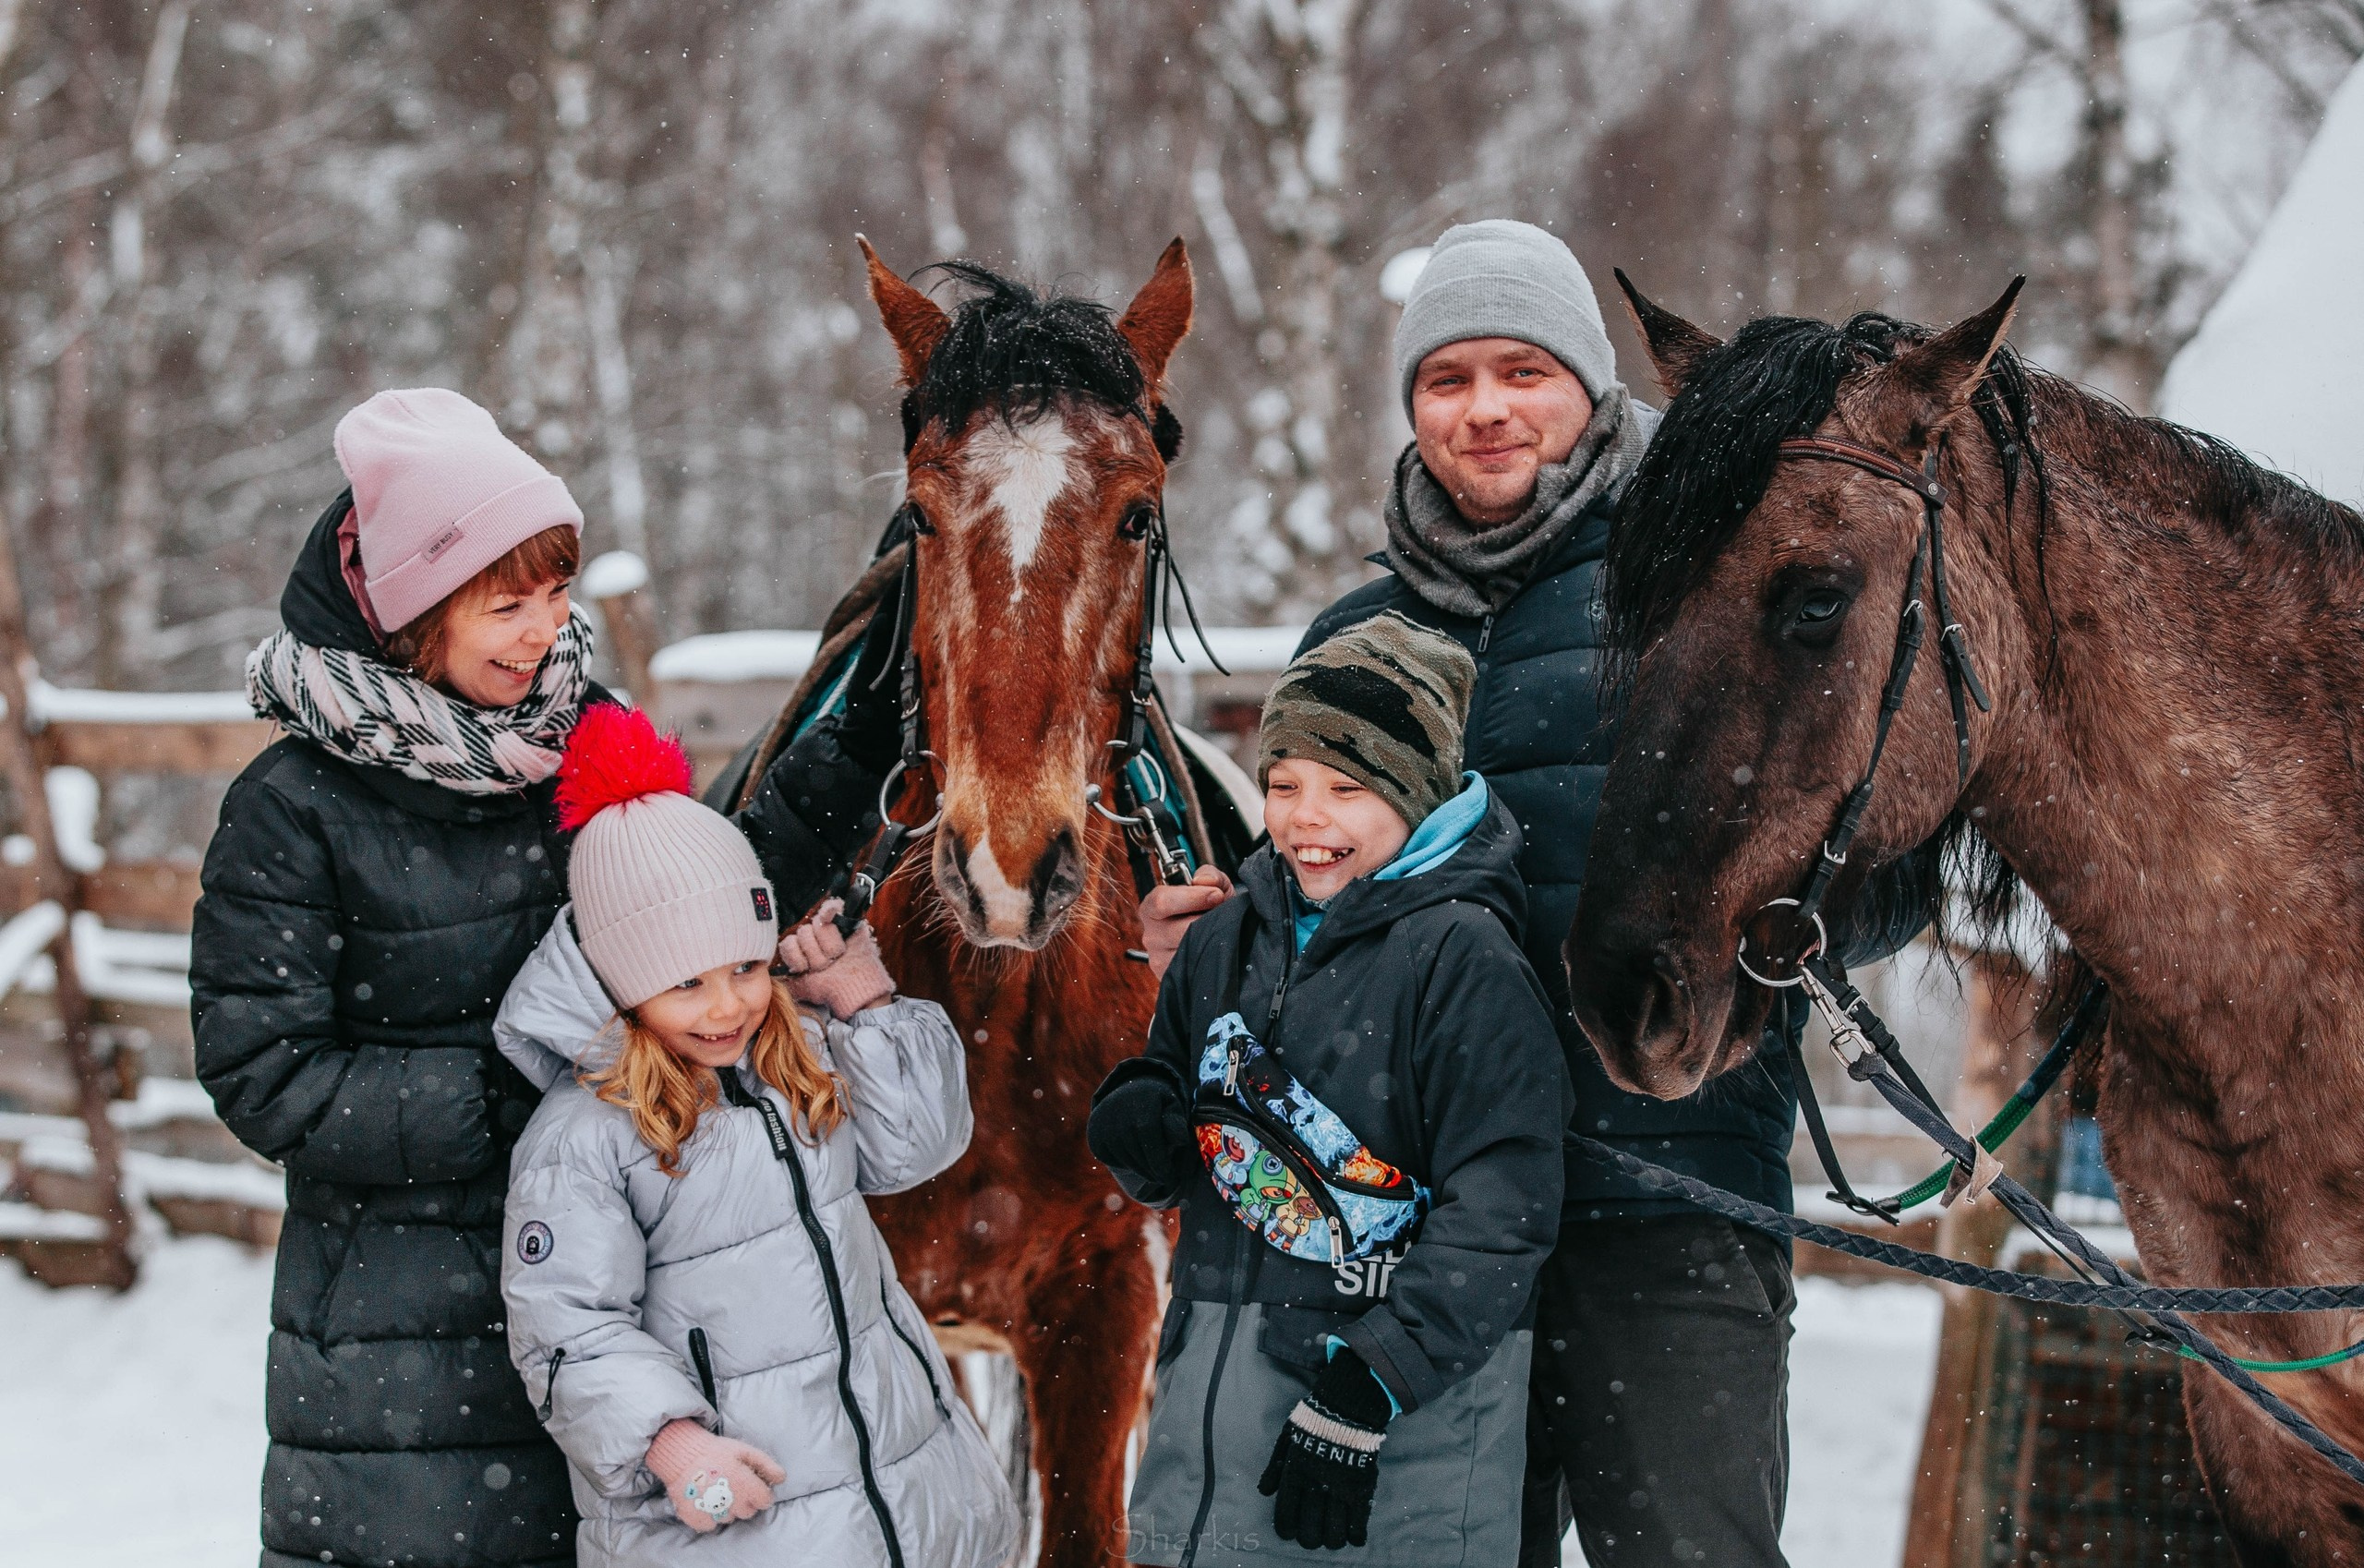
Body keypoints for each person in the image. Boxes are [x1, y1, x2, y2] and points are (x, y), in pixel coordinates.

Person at [1139, 222, 1933, 1567]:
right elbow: (1314, 907)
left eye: (1523, 369)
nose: (1487, 409)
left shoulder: (1721, 590)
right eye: (1447, 379)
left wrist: (1793, 934)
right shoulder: (1356, 640)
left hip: (1668, 1204)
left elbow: (1885, 851)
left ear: (1588, 383)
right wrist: (1221, 946)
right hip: (1420, 1243)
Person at [192, 388, 900, 1568]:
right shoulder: (291, 810)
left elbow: (693, 908)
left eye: (557, 593)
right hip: (404, 1337)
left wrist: (848, 764)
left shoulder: (592, 739)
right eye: (503, 602)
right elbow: (265, 1073)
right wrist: (524, 1093)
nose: (541, 631)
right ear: (414, 611)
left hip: (619, 1290)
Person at [1091, 612, 1570, 1566]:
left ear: (1417, 793)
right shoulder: (1227, 935)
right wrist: (1145, 1118)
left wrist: (1367, 1387)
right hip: (1212, 1408)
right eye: (1283, 784)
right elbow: (1183, 1080)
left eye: (1347, 788)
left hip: (1398, 1415)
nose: (1307, 816)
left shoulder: (1462, 956)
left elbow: (1503, 1208)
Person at [491, 703, 1017, 1567]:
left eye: (743, 966)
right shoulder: (584, 1139)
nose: (729, 1003)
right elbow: (567, 1330)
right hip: (741, 1524)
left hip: (901, 1495)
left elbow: (924, 1143)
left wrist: (865, 1003)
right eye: (686, 982)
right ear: (623, 988)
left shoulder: (794, 1057)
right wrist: (670, 1443)